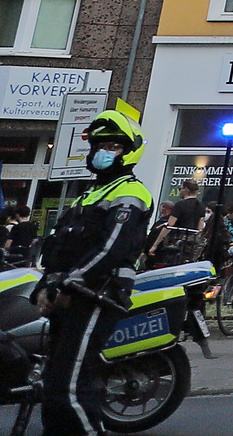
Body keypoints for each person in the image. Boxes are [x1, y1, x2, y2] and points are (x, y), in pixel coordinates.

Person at [34, 108, 156, 436]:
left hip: (96, 295)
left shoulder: (130, 193)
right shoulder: (90, 194)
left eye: (114, 145)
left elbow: (110, 250)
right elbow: (58, 247)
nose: (104, 152)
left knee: (69, 387)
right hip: (71, 296)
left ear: (130, 151)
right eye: (100, 145)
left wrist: (66, 284)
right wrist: (46, 285)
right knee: (54, 387)